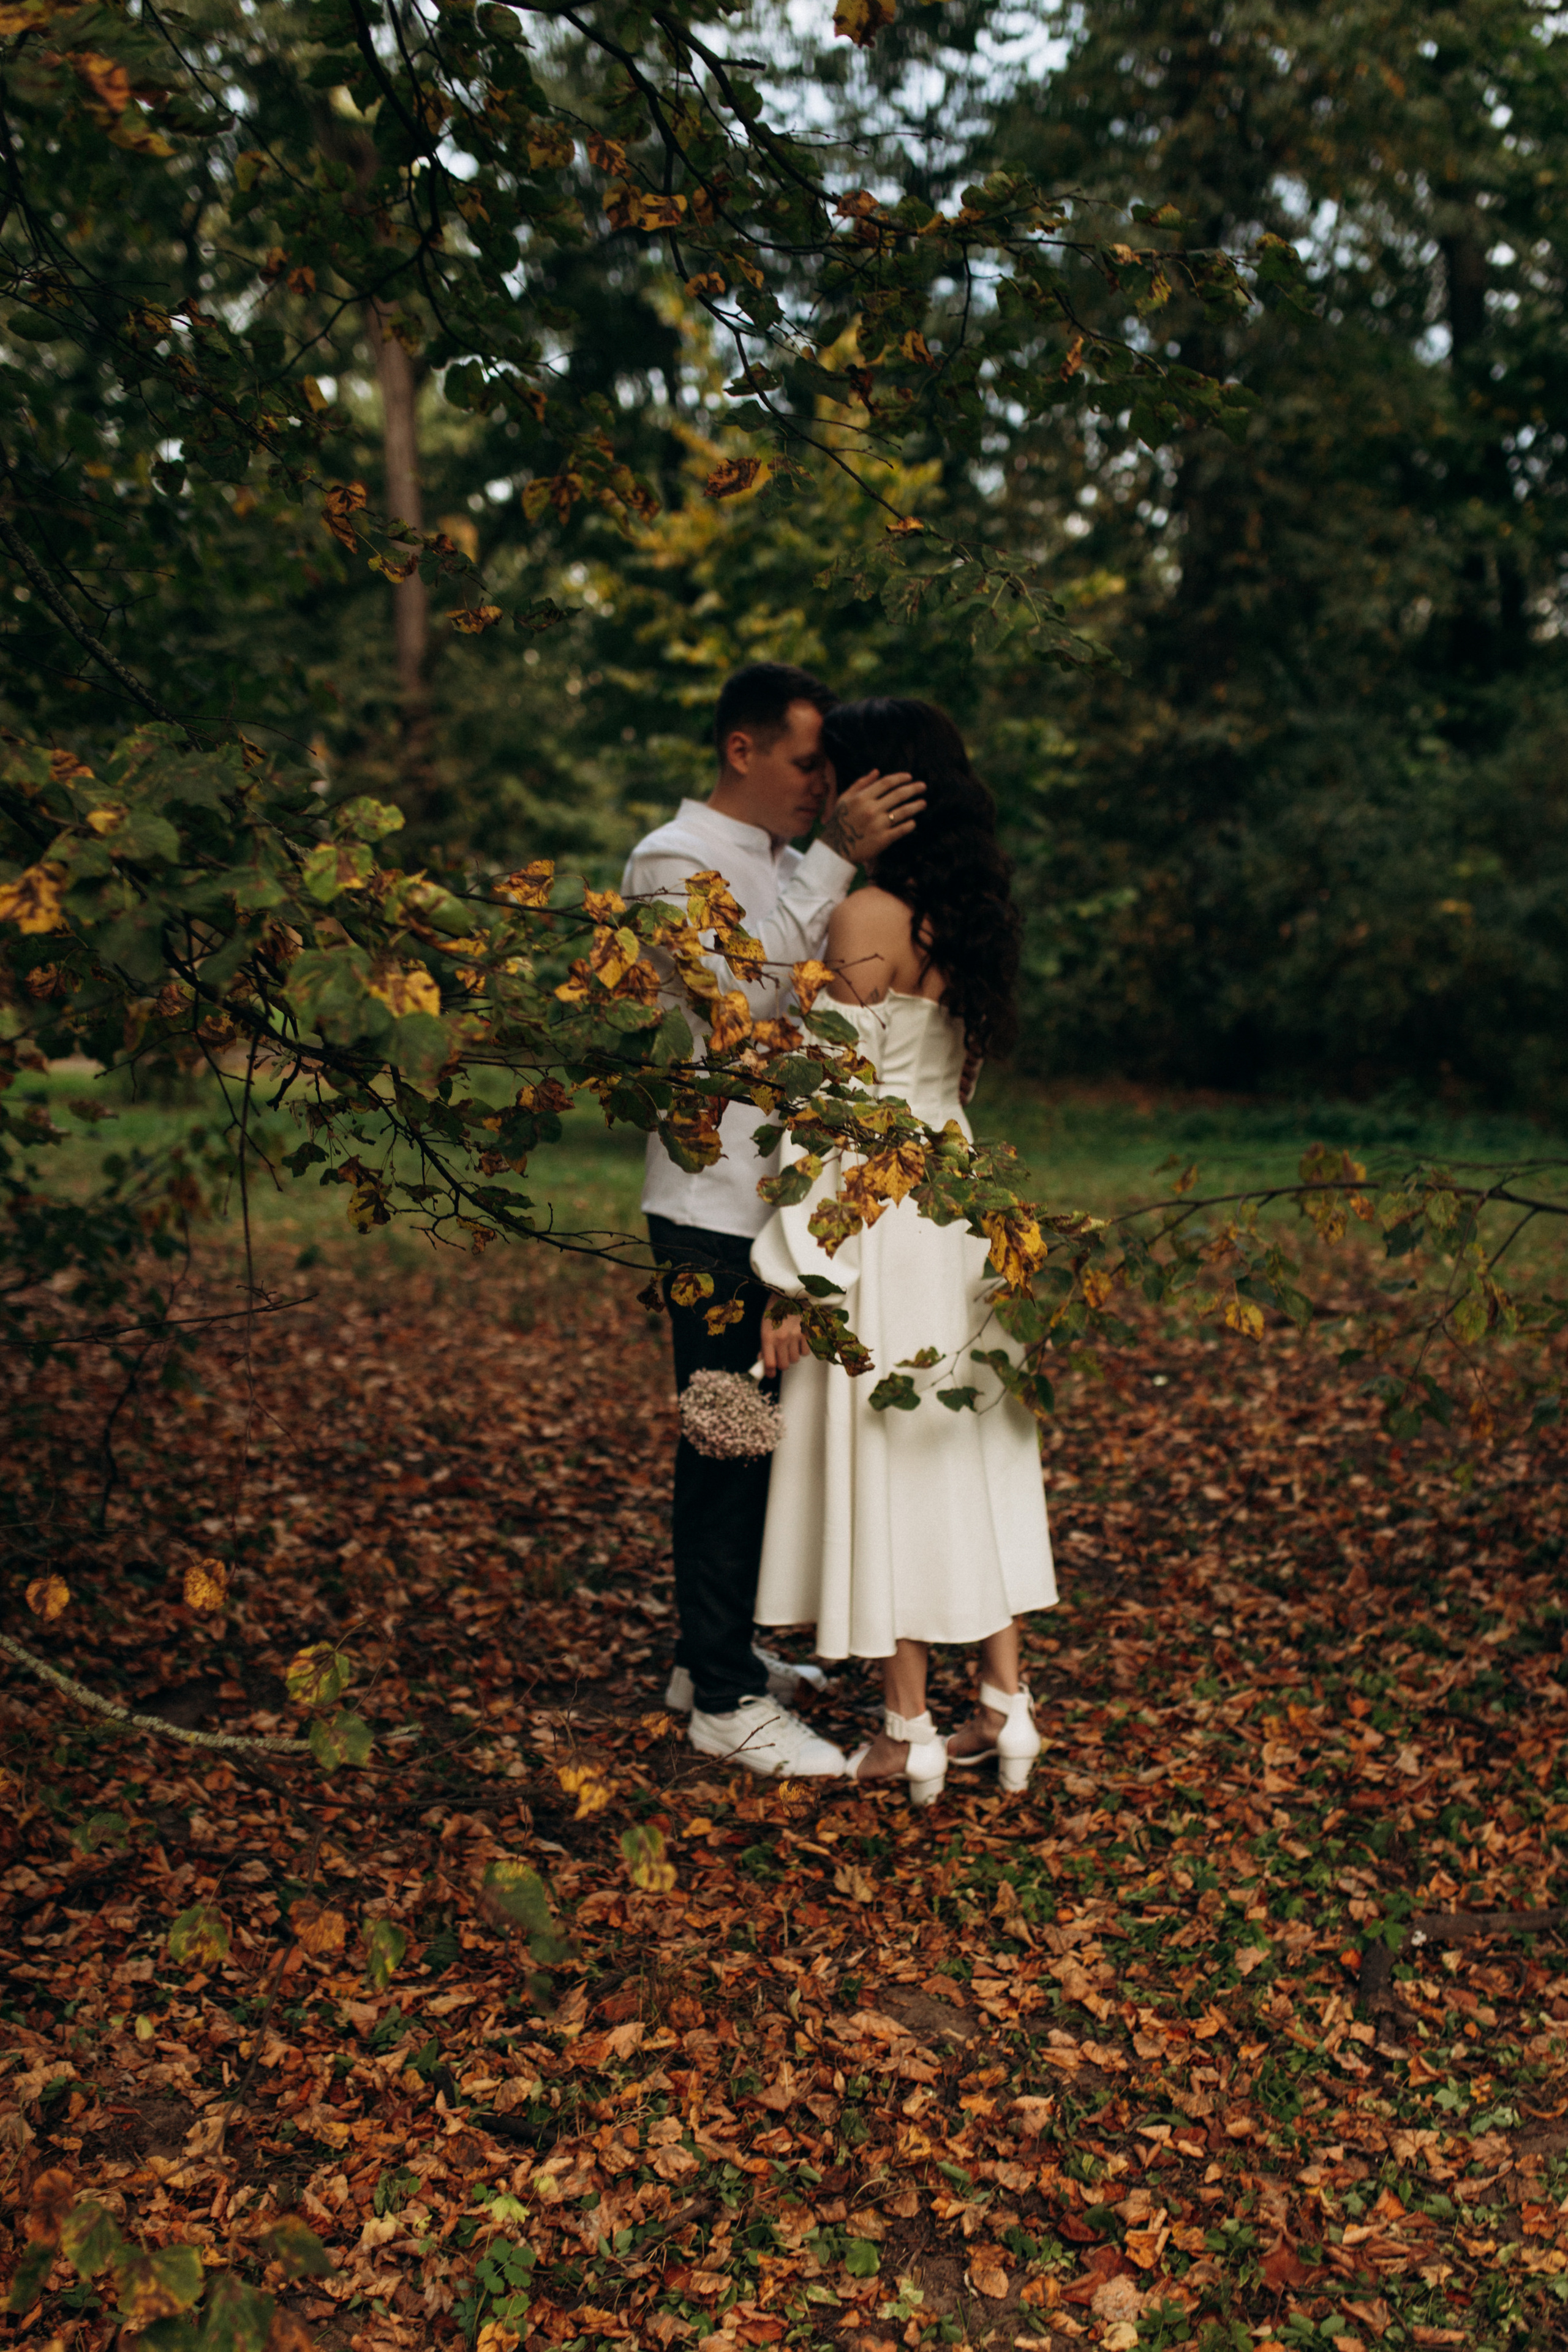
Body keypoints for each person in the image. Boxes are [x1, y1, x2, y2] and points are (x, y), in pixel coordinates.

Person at [749, 698, 1057, 1803]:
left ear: (886, 790)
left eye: (845, 773)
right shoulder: (968, 919)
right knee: (966, 1450)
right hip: (961, 1205)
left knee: (891, 1464)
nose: (830, 790)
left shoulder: (865, 915)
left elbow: (828, 1106)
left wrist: (795, 1273)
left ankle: (906, 1726)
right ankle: (1007, 1707)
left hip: (875, 1208)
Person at [622, 663, 927, 1777]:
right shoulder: (672, 859)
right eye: (808, 764)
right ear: (742, 752)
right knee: (724, 1442)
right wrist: (840, 859)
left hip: (781, 1207)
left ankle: (713, 1658)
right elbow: (741, 1000)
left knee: (760, 1447)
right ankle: (725, 1704)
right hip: (709, 1205)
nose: (823, 786)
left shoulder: (788, 867)